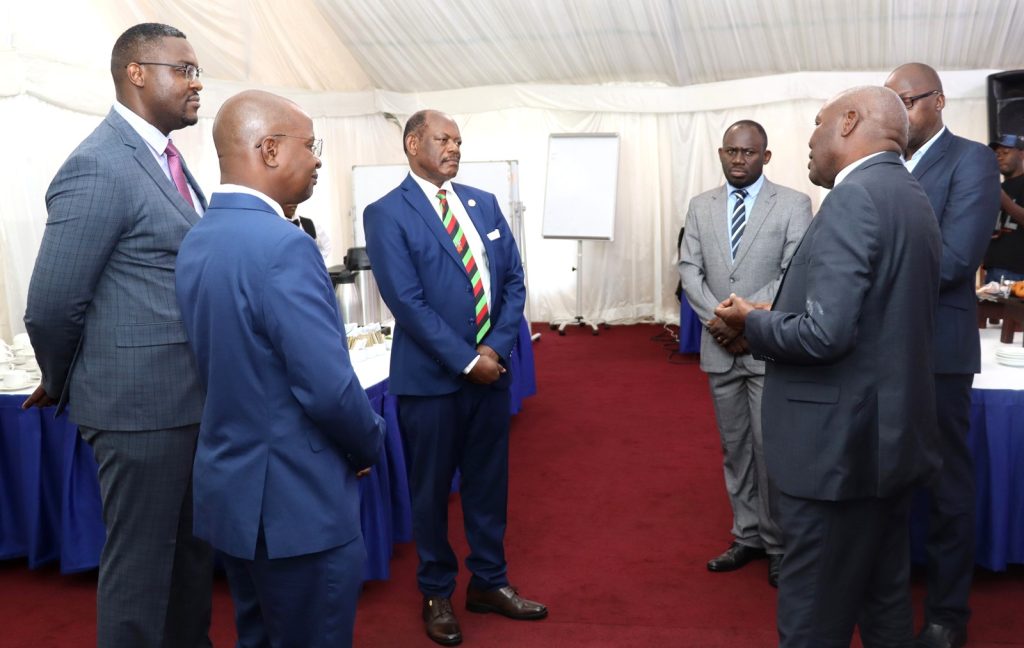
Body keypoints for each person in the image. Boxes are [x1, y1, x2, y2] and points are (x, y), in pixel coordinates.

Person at [715, 86, 942, 647]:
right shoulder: (909, 193)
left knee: (813, 617)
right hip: (887, 446)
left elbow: (826, 333)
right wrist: (783, 309)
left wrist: (753, 321)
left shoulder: (854, 197)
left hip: (837, 456)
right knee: (884, 601)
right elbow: (879, 316)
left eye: (816, 126)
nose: (809, 142)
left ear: (848, 122)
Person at [22, 23, 212, 648]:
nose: (196, 82)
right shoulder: (99, 165)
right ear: (136, 73)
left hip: (188, 406)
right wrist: (60, 379)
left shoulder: (169, 160)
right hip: (139, 412)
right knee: (141, 576)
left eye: (196, 70)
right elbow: (52, 306)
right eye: (183, 69)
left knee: (189, 567)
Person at [175, 89, 385, 648]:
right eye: (310, 145)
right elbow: (327, 388)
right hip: (298, 503)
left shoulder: (198, 239)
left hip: (236, 498)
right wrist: (369, 445)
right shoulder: (282, 247)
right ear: (269, 149)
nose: (317, 159)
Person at [363, 109, 546, 646]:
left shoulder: (483, 203)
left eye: (459, 141)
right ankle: (436, 591)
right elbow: (408, 302)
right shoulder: (386, 212)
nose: (455, 149)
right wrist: (467, 360)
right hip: (431, 383)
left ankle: (489, 582)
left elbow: (513, 280)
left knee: (490, 486)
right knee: (431, 493)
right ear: (412, 143)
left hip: (491, 375)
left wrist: (494, 348)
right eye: (444, 139)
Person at [885, 62, 1002, 648]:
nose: (899, 111)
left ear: (939, 101)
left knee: (946, 489)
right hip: (877, 354)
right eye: (892, 101)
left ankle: (947, 616)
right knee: (885, 483)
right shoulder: (878, 166)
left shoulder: (971, 160)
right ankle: (885, 599)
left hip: (938, 353)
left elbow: (955, 260)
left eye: (908, 99)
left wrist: (865, 277)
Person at [678, 120, 811, 587]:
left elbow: (794, 272)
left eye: (748, 152)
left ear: (766, 157)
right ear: (720, 153)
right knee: (734, 447)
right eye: (731, 151)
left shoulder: (794, 204)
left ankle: (778, 544)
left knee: (768, 447)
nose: (739, 159)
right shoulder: (700, 207)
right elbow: (689, 270)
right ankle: (747, 534)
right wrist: (720, 320)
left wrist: (746, 321)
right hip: (720, 347)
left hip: (765, 348)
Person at [983, 134, 1024, 283]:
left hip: (1017, 272)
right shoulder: (998, 187)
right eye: (997, 154)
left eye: (1005, 153)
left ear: (1021, 153)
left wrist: (1003, 199)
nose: (999, 157)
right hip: (992, 268)